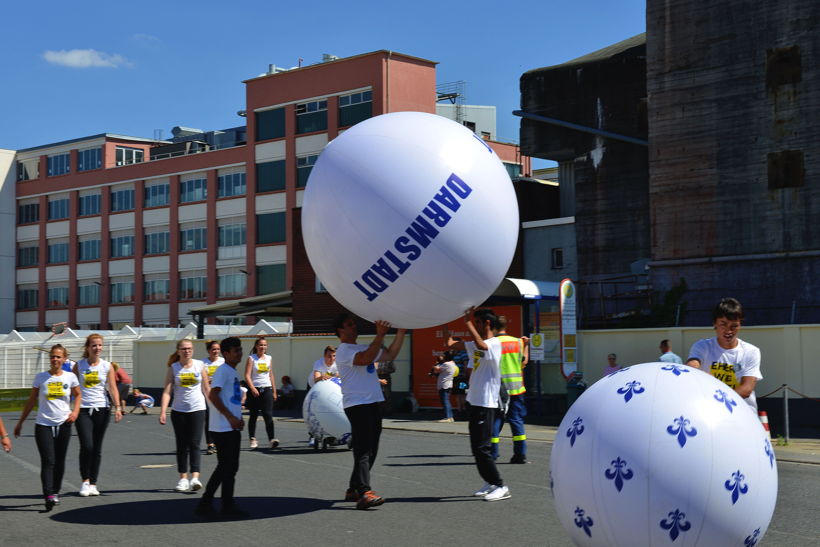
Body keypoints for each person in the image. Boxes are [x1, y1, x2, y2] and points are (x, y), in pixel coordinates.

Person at [334, 312, 406, 510]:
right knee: (364, 449)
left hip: (373, 402)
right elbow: (365, 360)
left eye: (354, 324)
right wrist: (380, 335)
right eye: (349, 324)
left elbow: (390, 355)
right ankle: (365, 492)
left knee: (371, 448)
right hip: (357, 405)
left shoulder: (362, 346)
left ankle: (353, 488)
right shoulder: (343, 350)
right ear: (340, 330)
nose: (354, 327)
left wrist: (400, 332)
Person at [447, 307, 510, 502]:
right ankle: (490, 483)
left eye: (478, 323)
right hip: (474, 401)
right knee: (476, 448)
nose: (475, 326)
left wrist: (467, 323)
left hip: (486, 402)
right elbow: (453, 345)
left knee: (482, 448)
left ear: (487, 323)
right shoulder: (476, 345)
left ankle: (500, 485)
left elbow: (482, 346)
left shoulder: (495, 343)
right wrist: (446, 321)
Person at [14, 344, 81, 511]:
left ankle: (55, 492)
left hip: (64, 424)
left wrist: (75, 412)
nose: (55, 359)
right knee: (48, 460)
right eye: (53, 356)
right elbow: (31, 401)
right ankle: (48, 495)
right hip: (43, 424)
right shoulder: (41, 377)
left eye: (58, 356)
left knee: (59, 461)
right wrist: (20, 422)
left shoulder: (70, 377)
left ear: (64, 359)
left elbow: (79, 394)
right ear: (49, 358)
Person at [196, 336, 248, 519]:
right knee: (226, 467)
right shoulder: (223, 371)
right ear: (226, 353)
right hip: (222, 428)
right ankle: (212, 503)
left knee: (230, 467)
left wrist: (238, 418)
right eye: (236, 350)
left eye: (240, 350)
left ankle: (220, 503)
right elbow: (214, 395)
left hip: (231, 426)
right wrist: (230, 418)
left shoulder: (232, 371)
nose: (239, 353)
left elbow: (229, 399)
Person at [686, 298, 762, 412]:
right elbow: (692, 366)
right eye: (723, 324)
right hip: (710, 413)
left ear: (740, 324)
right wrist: (700, 373)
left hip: (743, 413)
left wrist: (718, 402)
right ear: (714, 323)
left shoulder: (751, 351)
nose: (728, 331)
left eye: (734, 326)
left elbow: (746, 389)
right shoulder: (702, 346)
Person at [73, 333, 122, 497]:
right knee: (87, 446)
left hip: (102, 409)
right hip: (83, 409)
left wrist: (118, 407)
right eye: (94, 345)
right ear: (88, 347)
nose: (97, 348)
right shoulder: (79, 366)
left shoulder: (107, 366)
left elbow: (112, 387)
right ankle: (85, 481)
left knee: (97, 448)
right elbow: (70, 387)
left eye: (100, 345)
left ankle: (93, 483)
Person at [160, 339, 210, 493]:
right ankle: (183, 478)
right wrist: (163, 411)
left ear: (193, 350)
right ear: (178, 351)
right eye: (183, 349)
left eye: (189, 348)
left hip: (198, 409)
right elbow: (168, 391)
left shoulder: (200, 365)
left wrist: (214, 409)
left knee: (195, 444)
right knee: (182, 445)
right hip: (179, 411)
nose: (186, 351)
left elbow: (207, 389)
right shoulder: (174, 368)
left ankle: (195, 477)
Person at [491, 316, 530, 464]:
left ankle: (493, 454)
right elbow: (524, 362)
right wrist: (526, 345)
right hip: (517, 388)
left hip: (499, 389)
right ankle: (520, 455)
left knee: (496, 420)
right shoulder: (518, 342)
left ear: (493, 327)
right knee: (516, 420)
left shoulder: (492, 343)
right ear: (506, 326)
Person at [244, 336, 278, 450]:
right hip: (255, 390)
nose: (263, 347)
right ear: (256, 346)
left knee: (268, 415)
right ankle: (252, 439)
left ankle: (272, 439)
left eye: (265, 345)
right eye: (260, 345)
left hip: (267, 389)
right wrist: (252, 388)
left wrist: (274, 391)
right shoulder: (252, 358)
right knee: (253, 415)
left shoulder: (269, 358)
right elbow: (247, 375)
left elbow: (271, 375)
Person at [202, 340, 224, 455]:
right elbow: (201, 379)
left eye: (218, 349)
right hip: (208, 394)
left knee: (221, 419)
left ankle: (220, 443)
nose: (216, 351)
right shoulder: (203, 363)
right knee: (210, 419)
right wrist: (208, 380)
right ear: (209, 351)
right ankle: (210, 444)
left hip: (221, 393)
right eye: (213, 349)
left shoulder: (223, 361)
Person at [432, 352, 457, 422]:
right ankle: (450, 417)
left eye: (443, 356)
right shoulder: (453, 363)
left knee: (445, 401)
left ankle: (447, 417)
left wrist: (435, 365)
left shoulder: (446, 364)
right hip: (448, 384)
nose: (442, 357)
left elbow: (437, 370)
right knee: (446, 401)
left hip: (444, 384)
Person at [376, 347, 396, 414]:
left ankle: (388, 411)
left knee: (388, 394)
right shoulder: (376, 359)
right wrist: (377, 371)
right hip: (378, 377)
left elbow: (393, 369)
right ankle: (379, 411)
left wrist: (385, 370)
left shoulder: (389, 360)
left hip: (386, 376)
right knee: (379, 394)